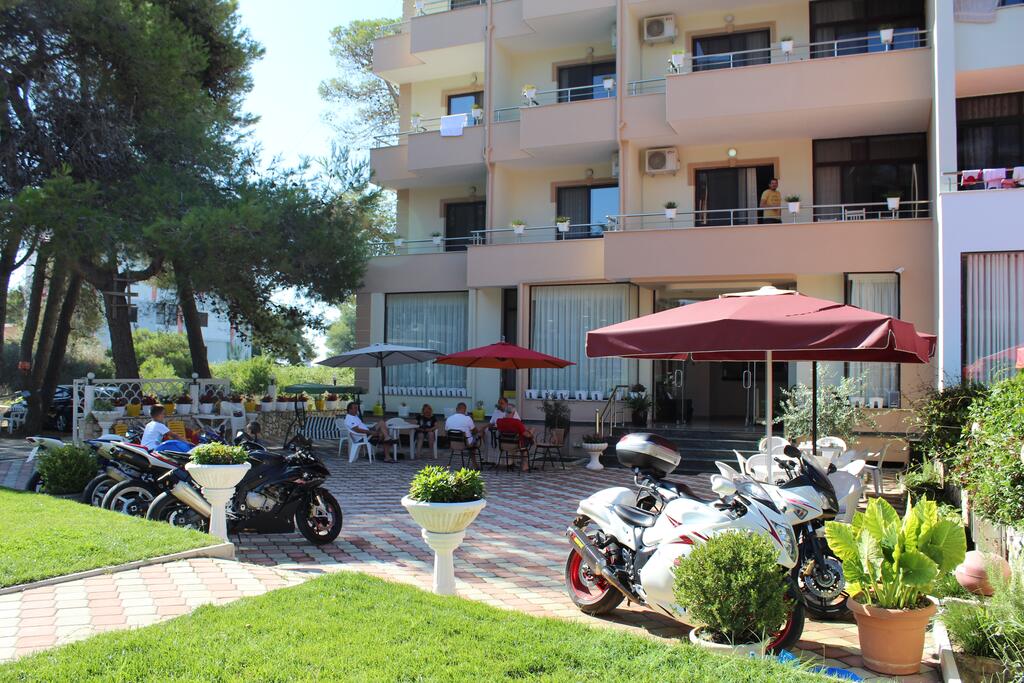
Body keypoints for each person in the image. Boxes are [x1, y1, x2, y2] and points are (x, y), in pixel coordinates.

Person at [495, 404, 534, 472]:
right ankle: (525, 465)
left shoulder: (499, 421)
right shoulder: (517, 422)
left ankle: (522, 464)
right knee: (527, 439)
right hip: (515, 445)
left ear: (505, 412)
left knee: (524, 439)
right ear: (513, 413)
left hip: (503, 445)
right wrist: (531, 432)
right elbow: (526, 434)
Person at [445, 402, 483, 468]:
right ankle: (475, 463)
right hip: (465, 444)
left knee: (469, 437)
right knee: (477, 435)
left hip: (452, 444)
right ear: (465, 410)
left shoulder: (449, 418)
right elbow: (475, 431)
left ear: (456, 409)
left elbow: (446, 432)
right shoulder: (468, 418)